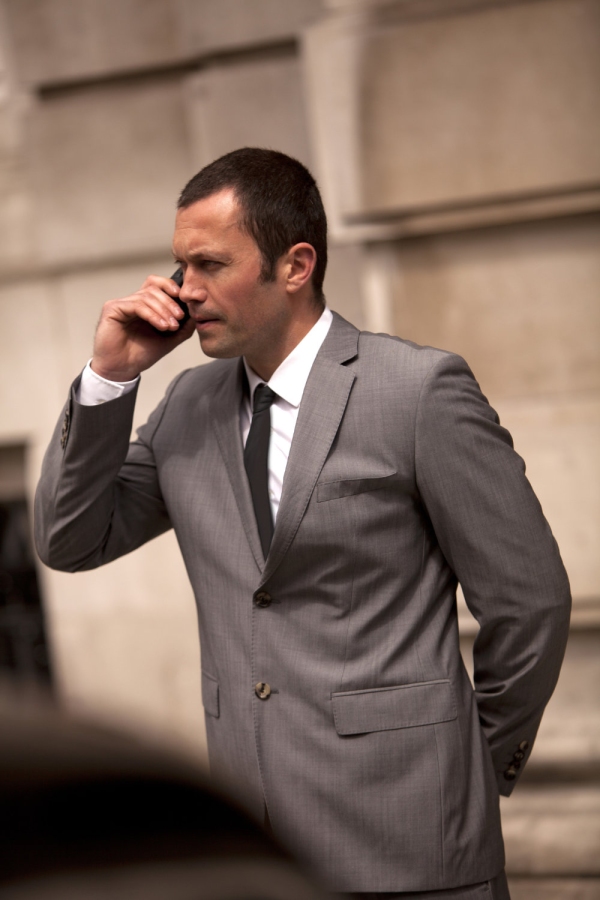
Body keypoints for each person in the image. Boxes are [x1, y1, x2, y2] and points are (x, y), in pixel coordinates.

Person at [35, 148, 571, 899]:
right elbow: (69, 540)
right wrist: (110, 378)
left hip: (415, 838)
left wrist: (468, 765)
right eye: (179, 266)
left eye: (210, 264)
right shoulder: (186, 405)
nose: (185, 292)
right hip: (260, 846)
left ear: (295, 265)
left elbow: (529, 598)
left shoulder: (415, 392)